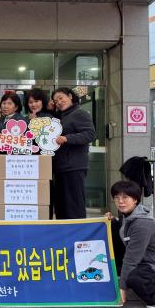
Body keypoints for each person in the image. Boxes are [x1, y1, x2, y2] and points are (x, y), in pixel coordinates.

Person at [106, 180, 155, 308]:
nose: (120, 201)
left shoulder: (142, 224)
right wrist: (112, 222)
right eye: (117, 198)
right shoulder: (127, 215)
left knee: (135, 279)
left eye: (125, 197)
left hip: (153, 265)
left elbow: (131, 259)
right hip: (138, 261)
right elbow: (123, 236)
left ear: (135, 199)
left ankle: (154, 295)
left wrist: (122, 288)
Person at [51, 87, 96, 219]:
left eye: (61, 98)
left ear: (70, 96)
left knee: (74, 205)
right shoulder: (61, 116)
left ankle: (77, 230)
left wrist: (66, 138)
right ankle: (65, 230)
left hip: (74, 167)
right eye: (56, 101)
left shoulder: (79, 113)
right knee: (62, 205)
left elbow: (90, 134)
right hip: (61, 167)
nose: (59, 102)